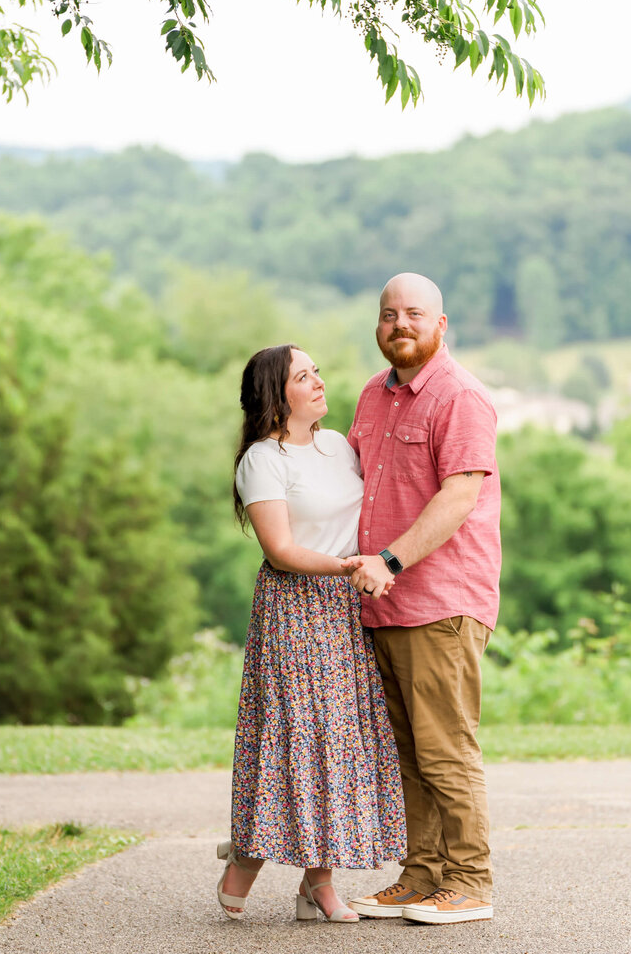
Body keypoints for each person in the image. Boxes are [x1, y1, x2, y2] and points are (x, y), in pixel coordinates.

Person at [216, 343, 406, 923]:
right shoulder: (264, 460)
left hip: (345, 611)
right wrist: (351, 566)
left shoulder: (335, 446)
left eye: (317, 371)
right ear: (279, 395)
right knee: (295, 738)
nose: (320, 382)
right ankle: (247, 855)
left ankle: (317, 882)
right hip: (295, 608)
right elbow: (282, 549)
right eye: (305, 376)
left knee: (341, 741)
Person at [346, 272, 501, 926]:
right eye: (388, 315)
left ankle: (470, 881)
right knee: (407, 753)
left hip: (439, 600)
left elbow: (459, 496)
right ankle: (423, 875)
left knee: (444, 749)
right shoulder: (371, 398)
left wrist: (390, 559)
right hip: (381, 606)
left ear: (442, 325)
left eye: (413, 313)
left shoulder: (460, 397)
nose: (399, 324)